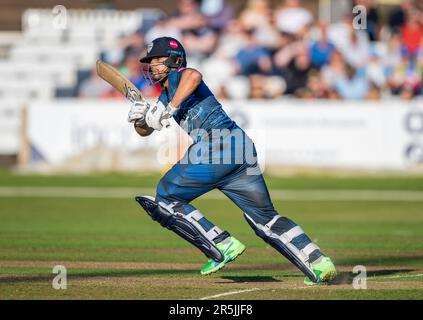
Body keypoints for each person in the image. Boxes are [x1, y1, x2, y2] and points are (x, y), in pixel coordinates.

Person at [128, 36, 337, 285]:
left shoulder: (179, 76)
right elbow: (146, 130)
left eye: (157, 60)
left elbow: (193, 75)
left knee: (166, 194)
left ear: (174, 60)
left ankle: (221, 244)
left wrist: (168, 109)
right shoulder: (167, 94)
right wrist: (140, 117)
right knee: (264, 218)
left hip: (215, 147)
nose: (152, 66)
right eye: (150, 62)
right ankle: (319, 263)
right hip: (240, 150)